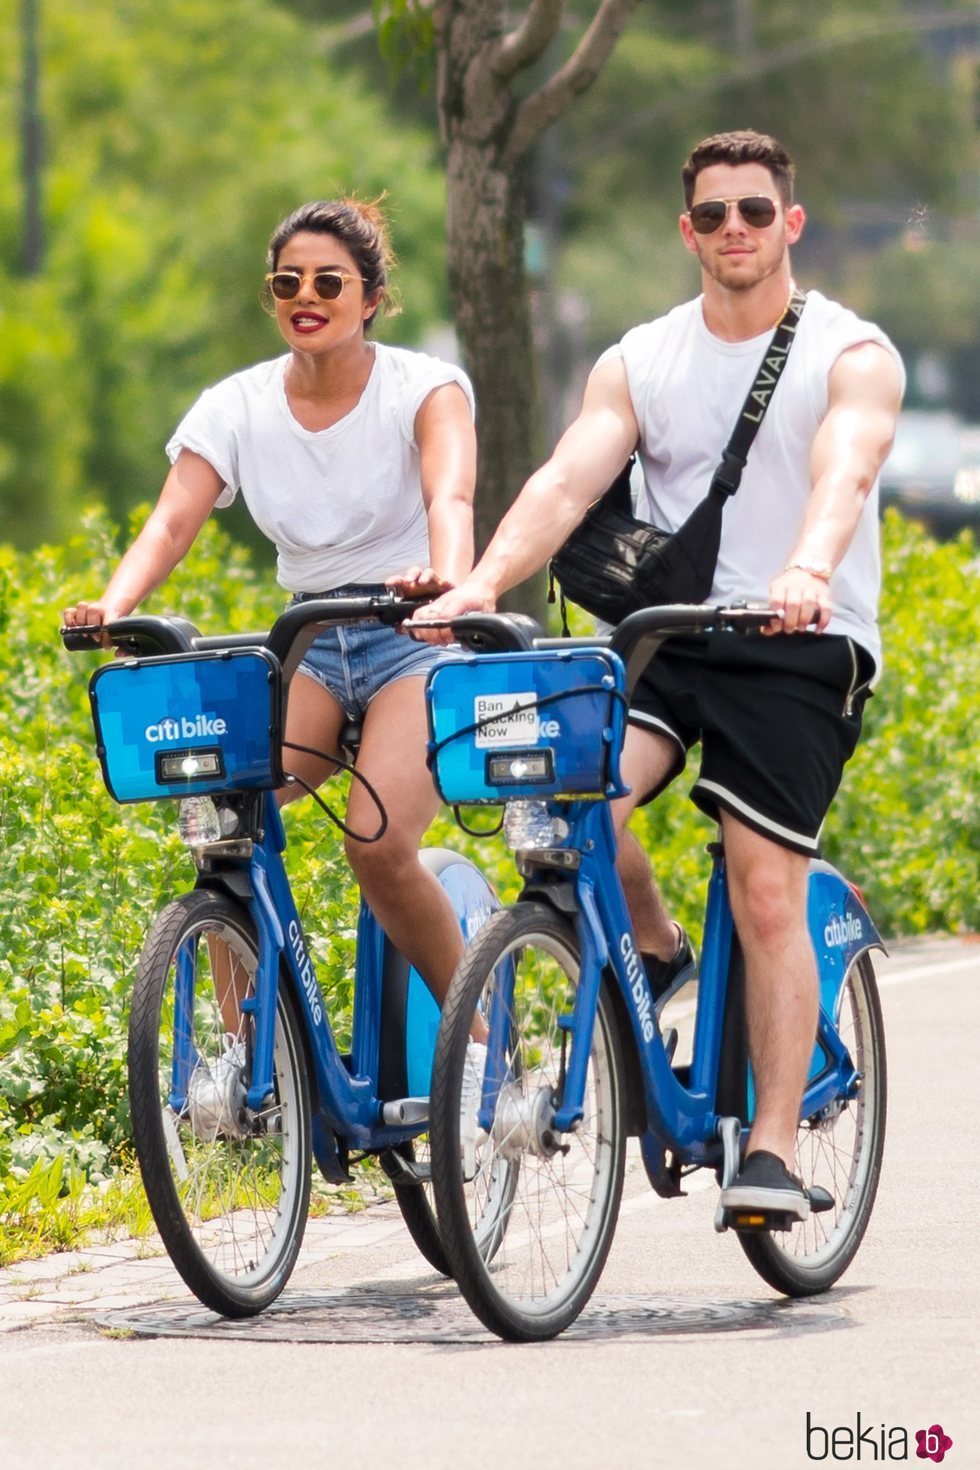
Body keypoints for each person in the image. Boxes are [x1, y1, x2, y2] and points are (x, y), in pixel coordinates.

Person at [411, 130, 904, 1222]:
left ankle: (767, 1149)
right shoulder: (640, 359)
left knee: (761, 882)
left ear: (791, 223)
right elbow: (564, 480)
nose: (736, 229)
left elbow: (847, 465)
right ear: (686, 232)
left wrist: (806, 568)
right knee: (568, 797)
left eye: (755, 212)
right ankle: (654, 948)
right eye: (714, 214)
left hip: (795, 643)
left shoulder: (849, 351)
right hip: (667, 639)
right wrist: (480, 584)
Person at [63, 196, 479, 1012]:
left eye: (330, 281)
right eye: (288, 281)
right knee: (226, 821)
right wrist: (111, 606)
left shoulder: (425, 387)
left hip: (414, 638)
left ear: (372, 295)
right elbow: (172, 520)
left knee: (381, 845)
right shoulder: (238, 405)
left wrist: (450, 582)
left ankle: (480, 1037)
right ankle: (255, 1068)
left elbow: (451, 495)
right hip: (310, 641)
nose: (307, 296)